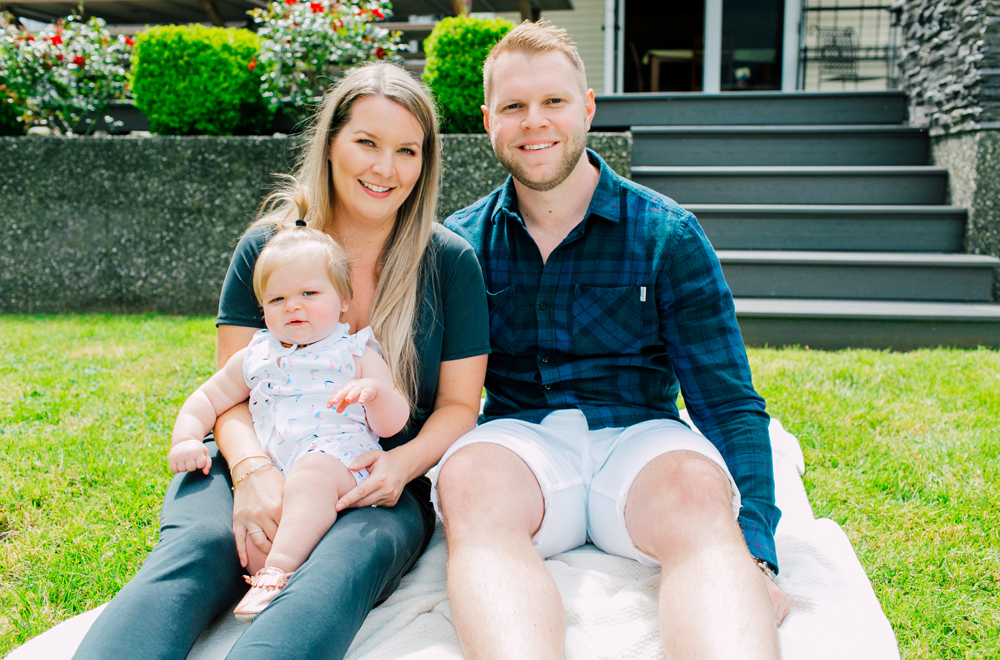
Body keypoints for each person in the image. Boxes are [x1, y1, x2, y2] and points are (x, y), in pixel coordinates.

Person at [74, 62, 490, 660]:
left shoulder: (449, 261)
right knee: (199, 552)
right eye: (366, 143)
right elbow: (232, 390)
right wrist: (252, 476)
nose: (385, 168)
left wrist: (399, 470)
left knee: (337, 572)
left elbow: (457, 406)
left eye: (407, 150)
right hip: (254, 452)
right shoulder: (268, 247)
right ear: (330, 145)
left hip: (373, 476)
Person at [433, 21, 791, 660]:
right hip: (523, 449)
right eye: (513, 106)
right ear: (488, 119)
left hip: (641, 443)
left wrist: (757, 556)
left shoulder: (668, 235)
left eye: (554, 102)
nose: (534, 122)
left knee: (698, 490)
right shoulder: (459, 246)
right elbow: (424, 393)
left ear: (588, 108)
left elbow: (730, 404)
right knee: (467, 480)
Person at [167, 226, 410, 622]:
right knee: (255, 538)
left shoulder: (354, 351)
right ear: (262, 309)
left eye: (309, 294)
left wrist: (377, 393)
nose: (293, 306)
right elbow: (207, 398)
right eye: (277, 299)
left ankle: (278, 572)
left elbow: (390, 426)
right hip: (277, 474)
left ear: (344, 300)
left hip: (337, 465)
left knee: (312, 473)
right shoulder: (256, 355)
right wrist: (187, 438)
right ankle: (273, 580)